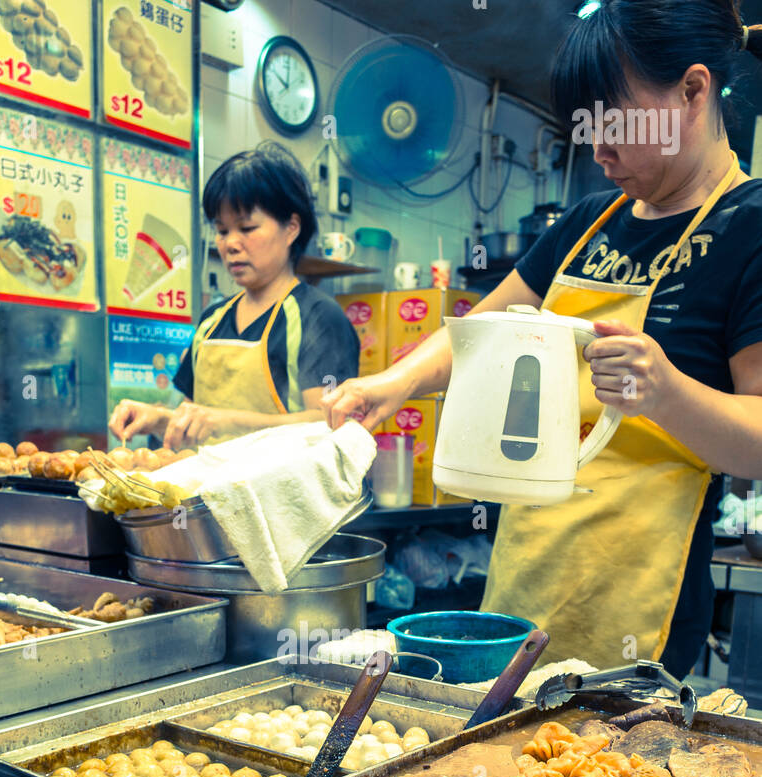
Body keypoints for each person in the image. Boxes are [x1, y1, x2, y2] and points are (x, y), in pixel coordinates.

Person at [324, 0, 762, 679]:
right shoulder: (588, 223)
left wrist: (666, 392)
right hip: (525, 571)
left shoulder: (749, 228)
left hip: (638, 605)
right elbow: (476, 338)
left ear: (693, 90)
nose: (598, 150)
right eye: (587, 127)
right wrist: (392, 383)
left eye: (615, 121)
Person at [110, 141, 359, 452]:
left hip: (284, 498)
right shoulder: (212, 321)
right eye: (223, 230)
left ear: (291, 228)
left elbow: (329, 425)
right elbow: (194, 423)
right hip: (210, 496)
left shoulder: (317, 317)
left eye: (247, 228)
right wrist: (158, 418)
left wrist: (227, 421)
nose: (230, 244)